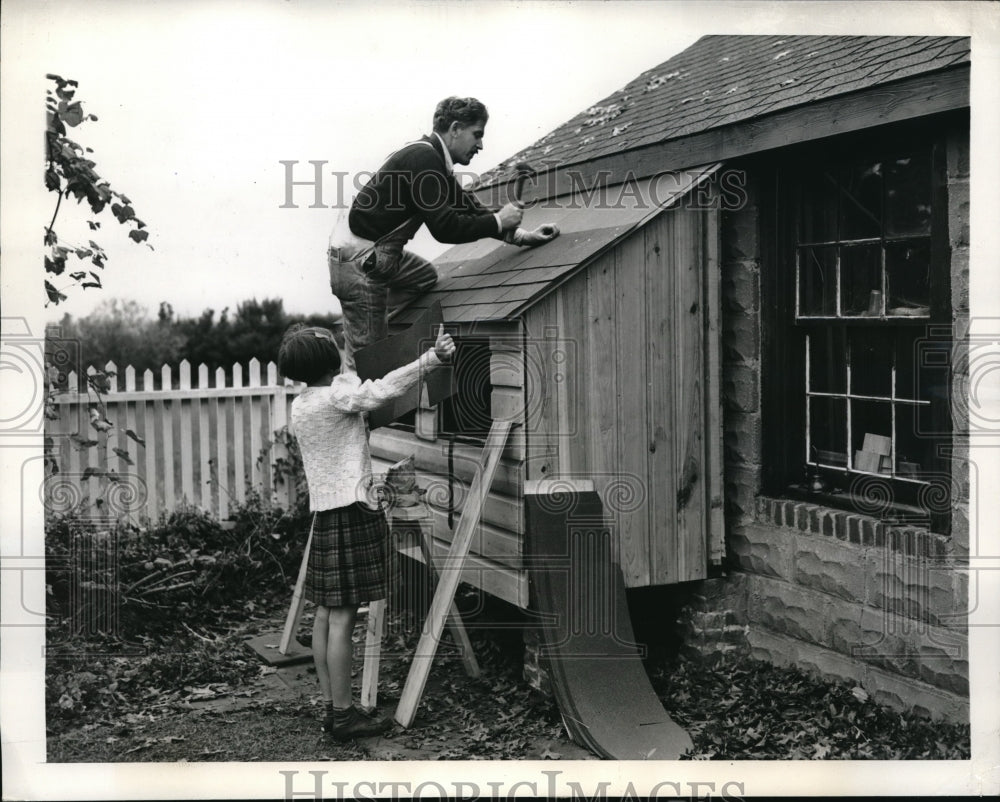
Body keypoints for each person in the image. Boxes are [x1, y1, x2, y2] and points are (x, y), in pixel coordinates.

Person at [278, 322, 456, 739]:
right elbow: (381, 390)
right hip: (351, 510)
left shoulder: (304, 402)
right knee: (341, 618)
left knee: (324, 614)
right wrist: (433, 358)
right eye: (337, 346)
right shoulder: (339, 395)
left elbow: (348, 386)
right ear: (329, 360)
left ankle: (332, 706)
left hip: (326, 514)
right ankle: (344, 715)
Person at [329, 96, 560, 368]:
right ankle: (364, 328)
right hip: (361, 264)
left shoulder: (432, 157)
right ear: (454, 129)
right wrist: (499, 220)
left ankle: (367, 320)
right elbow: (445, 227)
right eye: (477, 134)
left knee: (424, 278)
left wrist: (519, 235)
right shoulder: (424, 158)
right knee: (368, 367)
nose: (481, 145)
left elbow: (466, 206)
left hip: (371, 257)